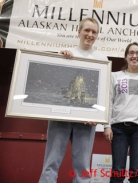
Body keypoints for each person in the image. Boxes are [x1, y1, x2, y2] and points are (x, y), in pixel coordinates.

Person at [39, 17, 108, 183]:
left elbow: (104, 93)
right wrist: (59, 60)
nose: (90, 34)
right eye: (87, 30)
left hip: (87, 119)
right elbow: (55, 83)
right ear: (79, 32)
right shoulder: (65, 54)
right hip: (60, 115)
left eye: (94, 32)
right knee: (51, 162)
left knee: (83, 167)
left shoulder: (102, 59)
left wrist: (100, 118)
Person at [103, 42, 138, 183]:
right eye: (131, 53)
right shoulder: (114, 76)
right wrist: (107, 125)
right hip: (118, 128)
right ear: (126, 57)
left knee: (137, 171)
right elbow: (108, 101)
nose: (135, 56)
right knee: (117, 171)